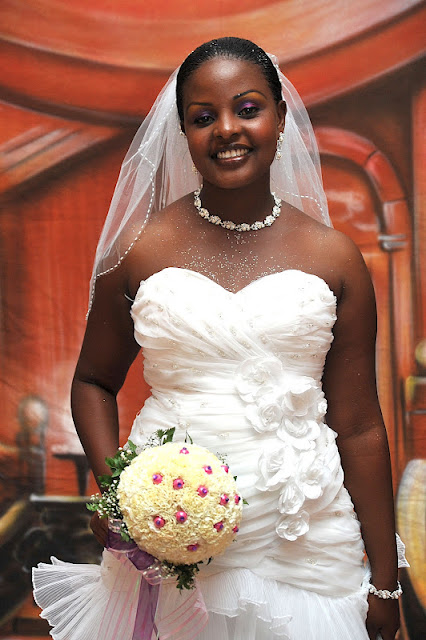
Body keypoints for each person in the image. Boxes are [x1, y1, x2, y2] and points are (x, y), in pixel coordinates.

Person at [33, 37, 406, 640]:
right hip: (171, 534)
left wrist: (385, 581)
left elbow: (360, 425)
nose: (227, 129)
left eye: (248, 108)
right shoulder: (141, 249)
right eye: (203, 117)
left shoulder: (335, 257)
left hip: (304, 538)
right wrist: (119, 496)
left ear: (280, 117)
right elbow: (93, 382)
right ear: (182, 131)